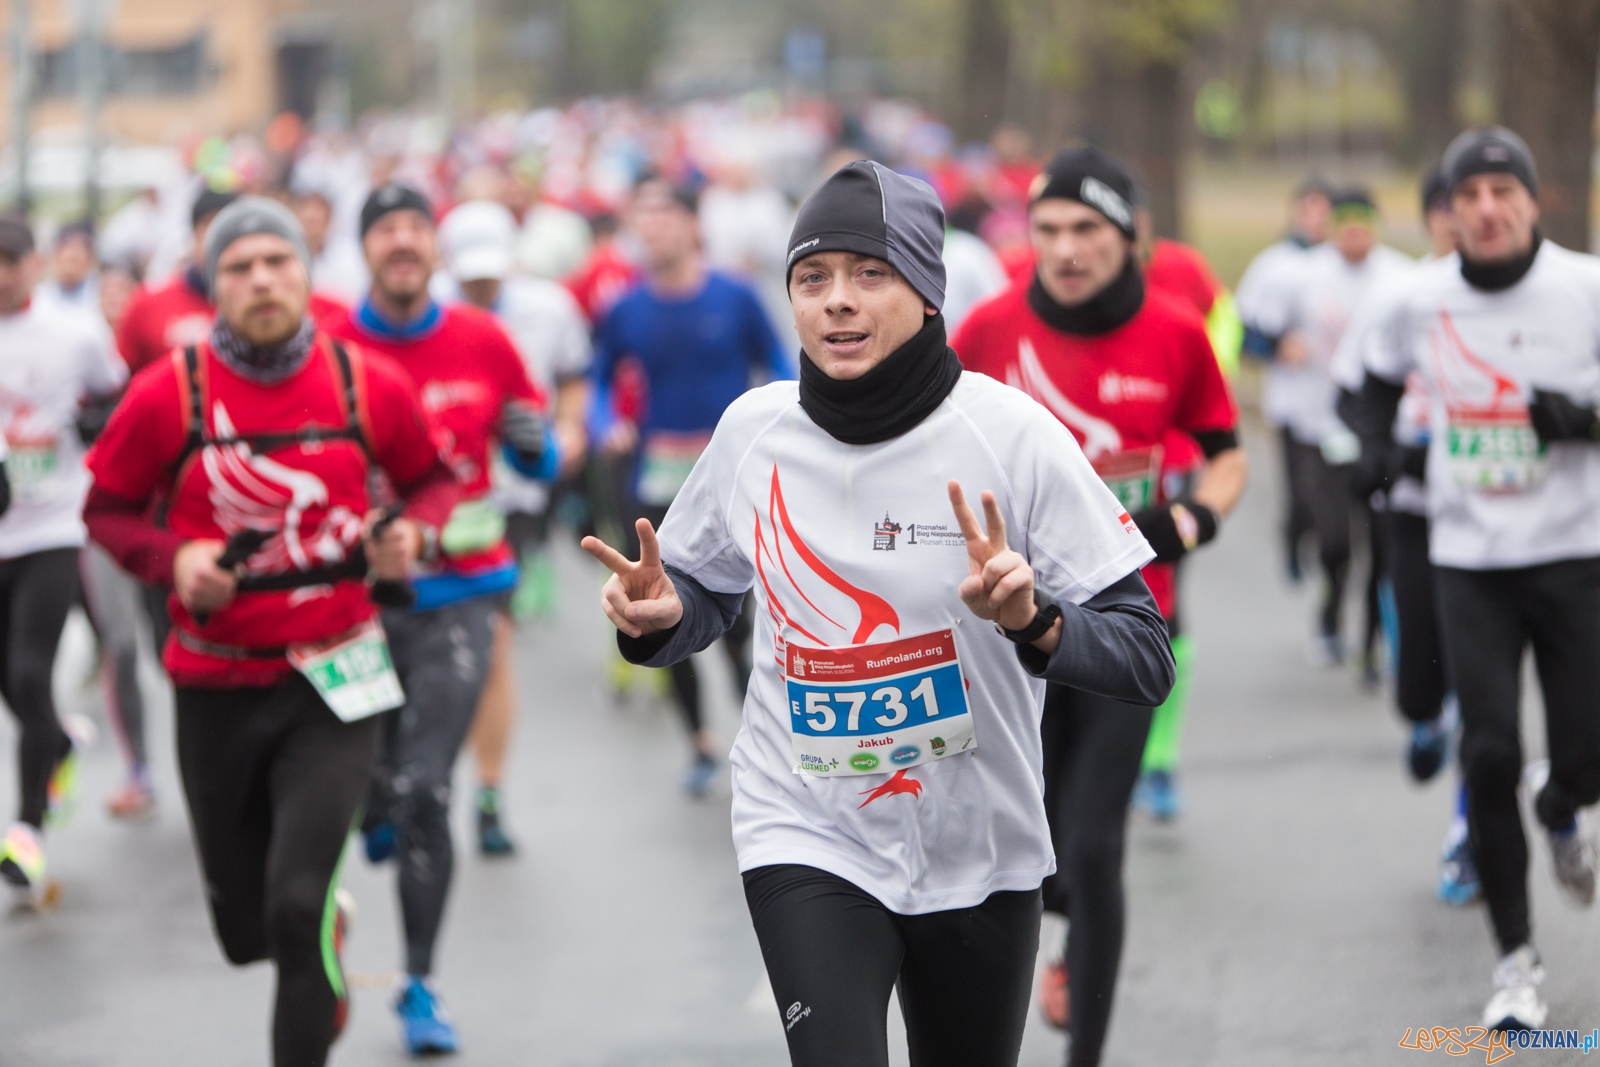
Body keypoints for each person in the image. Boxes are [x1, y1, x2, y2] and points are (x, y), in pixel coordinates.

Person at [582, 159, 1175, 1067]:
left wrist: (1035, 620)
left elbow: (1144, 654)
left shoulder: (1011, 436)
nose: (836, 302)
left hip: (979, 842)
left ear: (928, 292)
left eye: (870, 274)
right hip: (805, 825)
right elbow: (698, 595)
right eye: (812, 279)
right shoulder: (754, 432)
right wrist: (657, 617)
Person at [84, 196, 457, 1067]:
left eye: (277, 262)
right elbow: (106, 509)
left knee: (291, 905)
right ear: (212, 283)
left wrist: (413, 533)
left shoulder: (364, 382)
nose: (260, 280)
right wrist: (175, 561)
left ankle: (309, 944)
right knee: (251, 930)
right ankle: (315, 942)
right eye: (240, 266)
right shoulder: (168, 392)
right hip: (215, 677)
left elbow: (434, 480)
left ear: (306, 273)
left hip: (338, 674)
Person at [954, 148, 1246, 1063]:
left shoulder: (1175, 332)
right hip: (1007, 633)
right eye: (1048, 231)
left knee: (1091, 844)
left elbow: (1226, 451)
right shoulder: (991, 331)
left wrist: (1191, 518)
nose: (1067, 249)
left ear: (1132, 237)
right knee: (1030, 846)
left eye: (1088, 230)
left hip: (1124, 625)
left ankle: (1087, 1046)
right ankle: (1054, 927)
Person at [1349, 127, 1600, 1031]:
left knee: (1586, 755)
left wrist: (1583, 417)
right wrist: (1375, 452)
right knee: (1486, 749)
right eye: (1469, 195)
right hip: (1469, 557)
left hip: (1576, 553)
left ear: (1535, 203)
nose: (1486, 209)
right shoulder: (1414, 300)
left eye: (1504, 191)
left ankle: (1563, 798)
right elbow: (1367, 384)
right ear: (1449, 213)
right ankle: (1517, 961)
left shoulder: (1585, 287)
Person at [325, 183, 555, 1054]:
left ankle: (419, 983)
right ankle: (374, 808)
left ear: (435, 247)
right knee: (369, 789)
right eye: (385, 228)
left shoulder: (483, 339)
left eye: (416, 227)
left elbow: (537, 444)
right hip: (354, 601)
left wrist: (536, 444)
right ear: (368, 248)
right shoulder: (332, 347)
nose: (403, 241)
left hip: (463, 592)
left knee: (427, 788)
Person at [589, 173, 791, 797]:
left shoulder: (734, 296)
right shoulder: (625, 308)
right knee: (656, 604)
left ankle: (749, 705)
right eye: (641, 217)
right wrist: (607, 424)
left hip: (730, 473)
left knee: (733, 616)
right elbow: (598, 383)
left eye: (664, 214)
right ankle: (700, 742)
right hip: (655, 474)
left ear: (691, 224)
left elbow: (782, 365)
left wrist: (774, 424)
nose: (653, 227)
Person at [1333, 163, 1478, 904]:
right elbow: (1353, 390)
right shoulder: (1402, 299)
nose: (1471, 219)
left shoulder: (1529, 301)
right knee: (1423, 681)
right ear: (1432, 220)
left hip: (1497, 525)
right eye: (1455, 207)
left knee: (1485, 698)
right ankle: (1426, 717)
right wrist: (1380, 456)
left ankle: (1469, 834)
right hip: (1417, 513)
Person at [437, 197, 592, 855]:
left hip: (517, 496)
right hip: (437, 499)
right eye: (469, 277)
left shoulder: (550, 308)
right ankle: (416, 779)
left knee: (493, 642)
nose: (482, 287)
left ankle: (489, 792)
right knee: (436, 651)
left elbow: (572, 377)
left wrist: (568, 432)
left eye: (491, 275)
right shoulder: (425, 311)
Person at [0, 215, 121, 899]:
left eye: (12, 261)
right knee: (13, 688)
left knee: (29, 670)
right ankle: (63, 746)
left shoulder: (75, 332)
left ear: (36, 263)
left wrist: (96, 425)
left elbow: (117, 393)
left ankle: (27, 828)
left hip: (53, 524)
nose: (2, 275)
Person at [1273, 188, 1411, 669]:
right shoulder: (1303, 276)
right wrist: (1278, 346)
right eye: (1346, 223)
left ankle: (1373, 646)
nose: (1355, 233)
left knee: (1381, 546)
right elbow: (1256, 329)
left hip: (1374, 434)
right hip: (1317, 427)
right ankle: (1331, 613)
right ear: (1332, 227)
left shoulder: (1400, 277)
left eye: (1364, 223)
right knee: (1334, 540)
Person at [1236, 177, 1332, 582]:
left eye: (1323, 209)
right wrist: (1277, 347)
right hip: (1291, 400)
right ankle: (1295, 536)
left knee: (1330, 492)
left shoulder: (1343, 264)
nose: (1315, 218)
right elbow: (1245, 332)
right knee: (1302, 491)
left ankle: (1329, 552)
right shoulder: (1272, 265)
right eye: (1308, 208)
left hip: (1335, 401)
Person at [115, 188, 237, 377]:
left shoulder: (262, 305)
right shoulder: (147, 303)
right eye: (209, 228)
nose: (218, 242)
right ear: (193, 235)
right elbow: (118, 380)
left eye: (228, 232)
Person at [36, 221, 100, 313]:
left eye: (79, 249)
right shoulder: (40, 296)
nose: (73, 254)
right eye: (68, 248)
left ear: (90, 260)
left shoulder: (100, 295)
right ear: (56, 255)